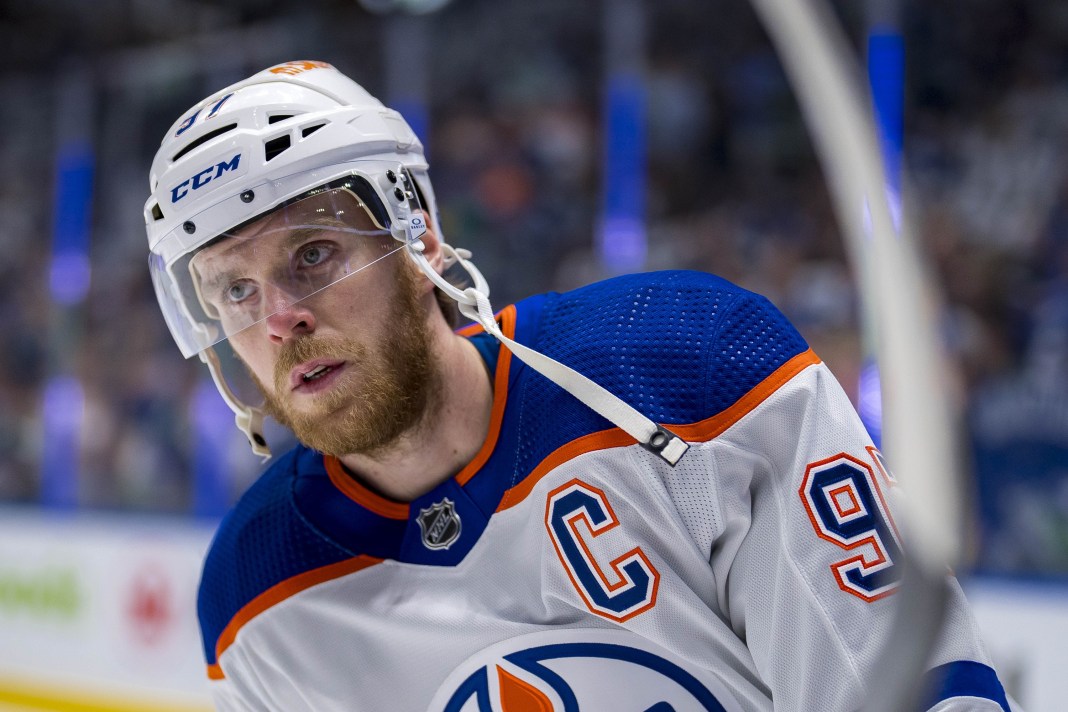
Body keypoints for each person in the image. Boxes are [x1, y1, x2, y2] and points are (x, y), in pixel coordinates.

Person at [145, 60, 1013, 711]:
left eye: (314, 255)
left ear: (421, 238)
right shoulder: (255, 595)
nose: (279, 319)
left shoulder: (687, 369)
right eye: (234, 290)